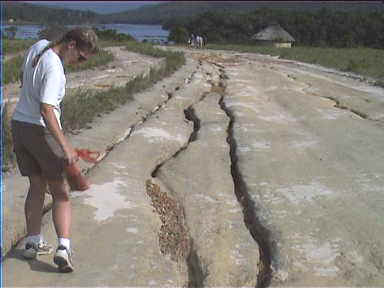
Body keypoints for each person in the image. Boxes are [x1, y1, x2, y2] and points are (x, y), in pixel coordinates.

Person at [11, 27, 98, 273]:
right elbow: (47, 110)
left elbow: (23, 77)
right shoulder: (55, 69)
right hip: (41, 131)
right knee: (61, 194)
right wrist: (66, 145)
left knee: (36, 186)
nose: (80, 63)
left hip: (20, 125)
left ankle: (32, 242)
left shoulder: (39, 47)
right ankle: (63, 249)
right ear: (71, 44)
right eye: (81, 57)